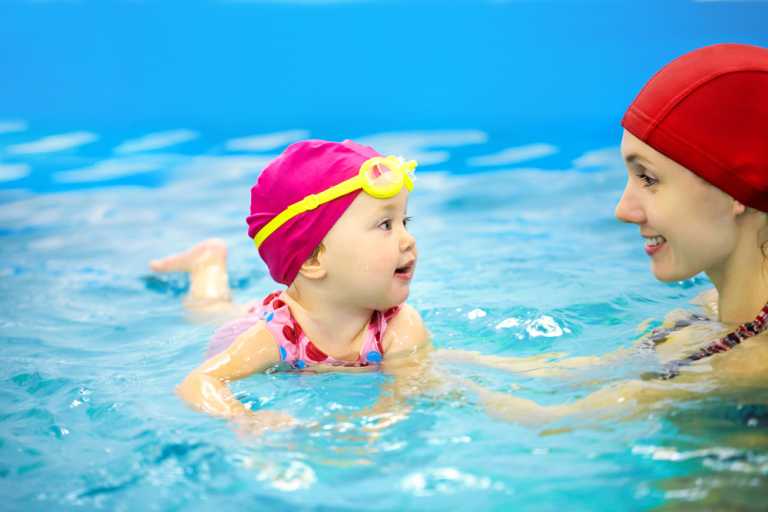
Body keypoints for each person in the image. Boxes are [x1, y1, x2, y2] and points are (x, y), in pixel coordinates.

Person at [444, 43, 768, 426]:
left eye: (649, 179)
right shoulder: (710, 310)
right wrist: (444, 358)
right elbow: (585, 372)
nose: (623, 210)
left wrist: (423, 385)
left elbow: (549, 424)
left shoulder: (750, 366)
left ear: (735, 189)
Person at [151, 140, 431, 433]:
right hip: (252, 320)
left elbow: (407, 390)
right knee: (209, 309)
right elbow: (197, 382)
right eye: (386, 224)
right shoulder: (276, 336)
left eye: (405, 221)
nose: (408, 239)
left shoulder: (399, 325)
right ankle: (207, 263)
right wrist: (245, 417)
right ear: (313, 259)